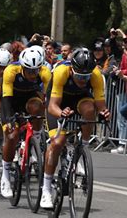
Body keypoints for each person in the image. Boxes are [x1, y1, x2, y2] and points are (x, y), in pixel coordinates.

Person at [40, 47, 110, 208]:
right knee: (57, 143)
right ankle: (46, 189)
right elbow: (52, 107)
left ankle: (82, 148)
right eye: (79, 76)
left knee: (90, 109)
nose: (82, 81)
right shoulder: (61, 72)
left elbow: (101, 105)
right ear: (72, 69)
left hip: (80, 100)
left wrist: (104, 113)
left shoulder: (96, 75)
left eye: (86, 77)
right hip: (58, 102)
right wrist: (61, 113)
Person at [0, 46, 51, 198]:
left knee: (39, 108)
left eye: (35, 71)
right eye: (29, 71)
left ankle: (34, 139)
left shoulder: (45, 73)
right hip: (11, 101)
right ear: (22, 67)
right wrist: (10, 120)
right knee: (11, 135)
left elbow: (50, 99)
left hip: (30, 98)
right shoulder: (11, 71)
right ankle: (6, 174)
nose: (32, 74)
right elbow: (6, 98)